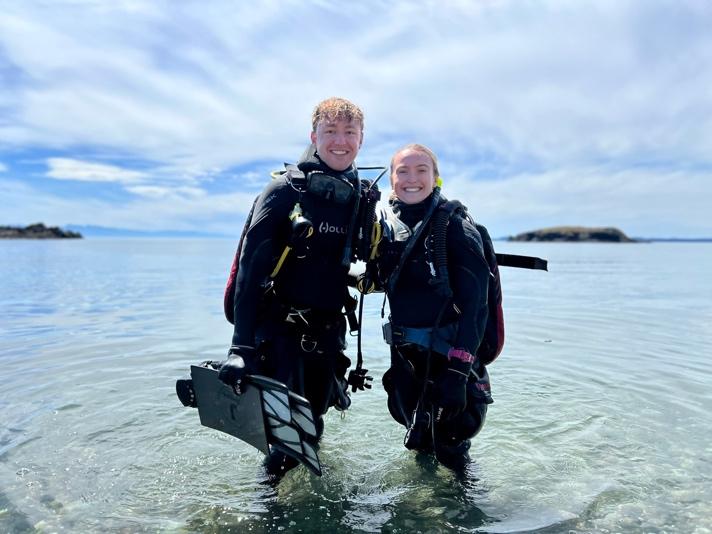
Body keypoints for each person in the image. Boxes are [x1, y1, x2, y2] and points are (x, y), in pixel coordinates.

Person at [213, 97, 374, 478]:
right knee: (283, 446)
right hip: (279, 334)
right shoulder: (285, 191)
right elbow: (251, 271)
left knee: (312, 431)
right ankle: (266, 512)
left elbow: (361, 260)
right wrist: (241, 348)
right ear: (313, 135)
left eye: (349, 132)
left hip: (328, 335)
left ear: (361, 139)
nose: (340, 141)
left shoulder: (361, 197)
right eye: (330, 131)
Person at [365, 143, 494, 471]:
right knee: (418, 443)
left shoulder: (455, 229)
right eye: (403, 171)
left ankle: (466, 517)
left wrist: (458, 371)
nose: (412, 178)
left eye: (422, 170)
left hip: (448, 359)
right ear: (392, 181)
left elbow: (477, 308)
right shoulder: (387, 229)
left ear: (436, 178)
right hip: (407, 360)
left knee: (453, 452)